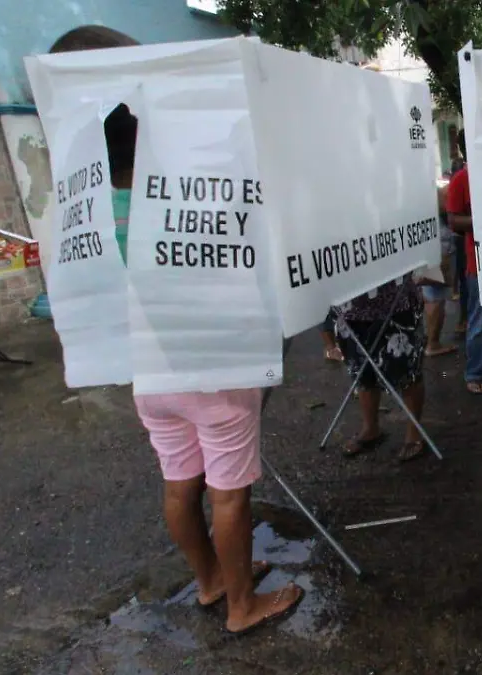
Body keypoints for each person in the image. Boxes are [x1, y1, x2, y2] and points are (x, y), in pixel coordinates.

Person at [105, 104, 303, 634]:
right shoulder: (185, 203)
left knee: (178, 485)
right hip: (213, 370)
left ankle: (211, 581)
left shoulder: (96, 212)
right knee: (229, 493)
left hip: (149, 373)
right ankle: (243, 606)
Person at [333, 275, 429, 463]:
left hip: (395, 302)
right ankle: (370, 429)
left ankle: (414, 434)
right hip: (350, 307)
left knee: (408, 371)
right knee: (361, 371)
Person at [445, 130, 482, 394]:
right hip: (479, 264)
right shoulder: (461, 180)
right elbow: (453, 221)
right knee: (479, 319)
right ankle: (475, 373)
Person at [421, 180, 457, 358]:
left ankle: (431, 340)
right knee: (435, 298)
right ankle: (432, 343)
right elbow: (445, 205)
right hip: (437, 247)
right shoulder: (436, 191)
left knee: (431, 297)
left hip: (431, 245)